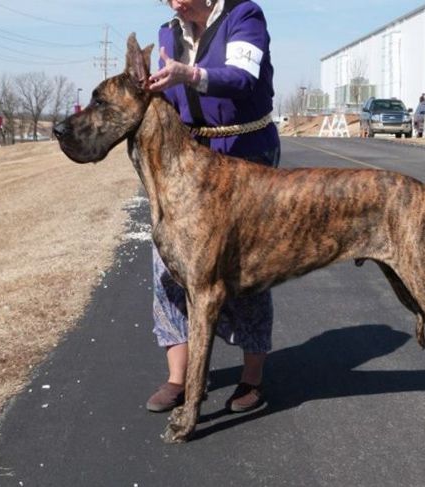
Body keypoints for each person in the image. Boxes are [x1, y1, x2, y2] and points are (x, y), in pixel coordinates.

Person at [145, 0, 280, 414]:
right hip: (189, 162)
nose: (173, 3)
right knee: (168, 267)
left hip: (245, 154)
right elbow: (168, 100)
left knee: (243, 272)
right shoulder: (168, 32)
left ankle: (252, 377)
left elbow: (242, 78)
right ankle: (178, 378)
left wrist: (190, 73)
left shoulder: (244, 15)